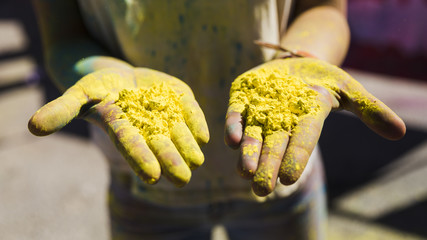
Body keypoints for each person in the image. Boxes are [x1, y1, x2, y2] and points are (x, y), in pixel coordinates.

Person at [28, 0, 406, 239]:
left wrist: (301, 59)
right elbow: (63, 35)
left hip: (278, 175)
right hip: (145, 186)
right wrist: (107, 71)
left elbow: (323, 9)